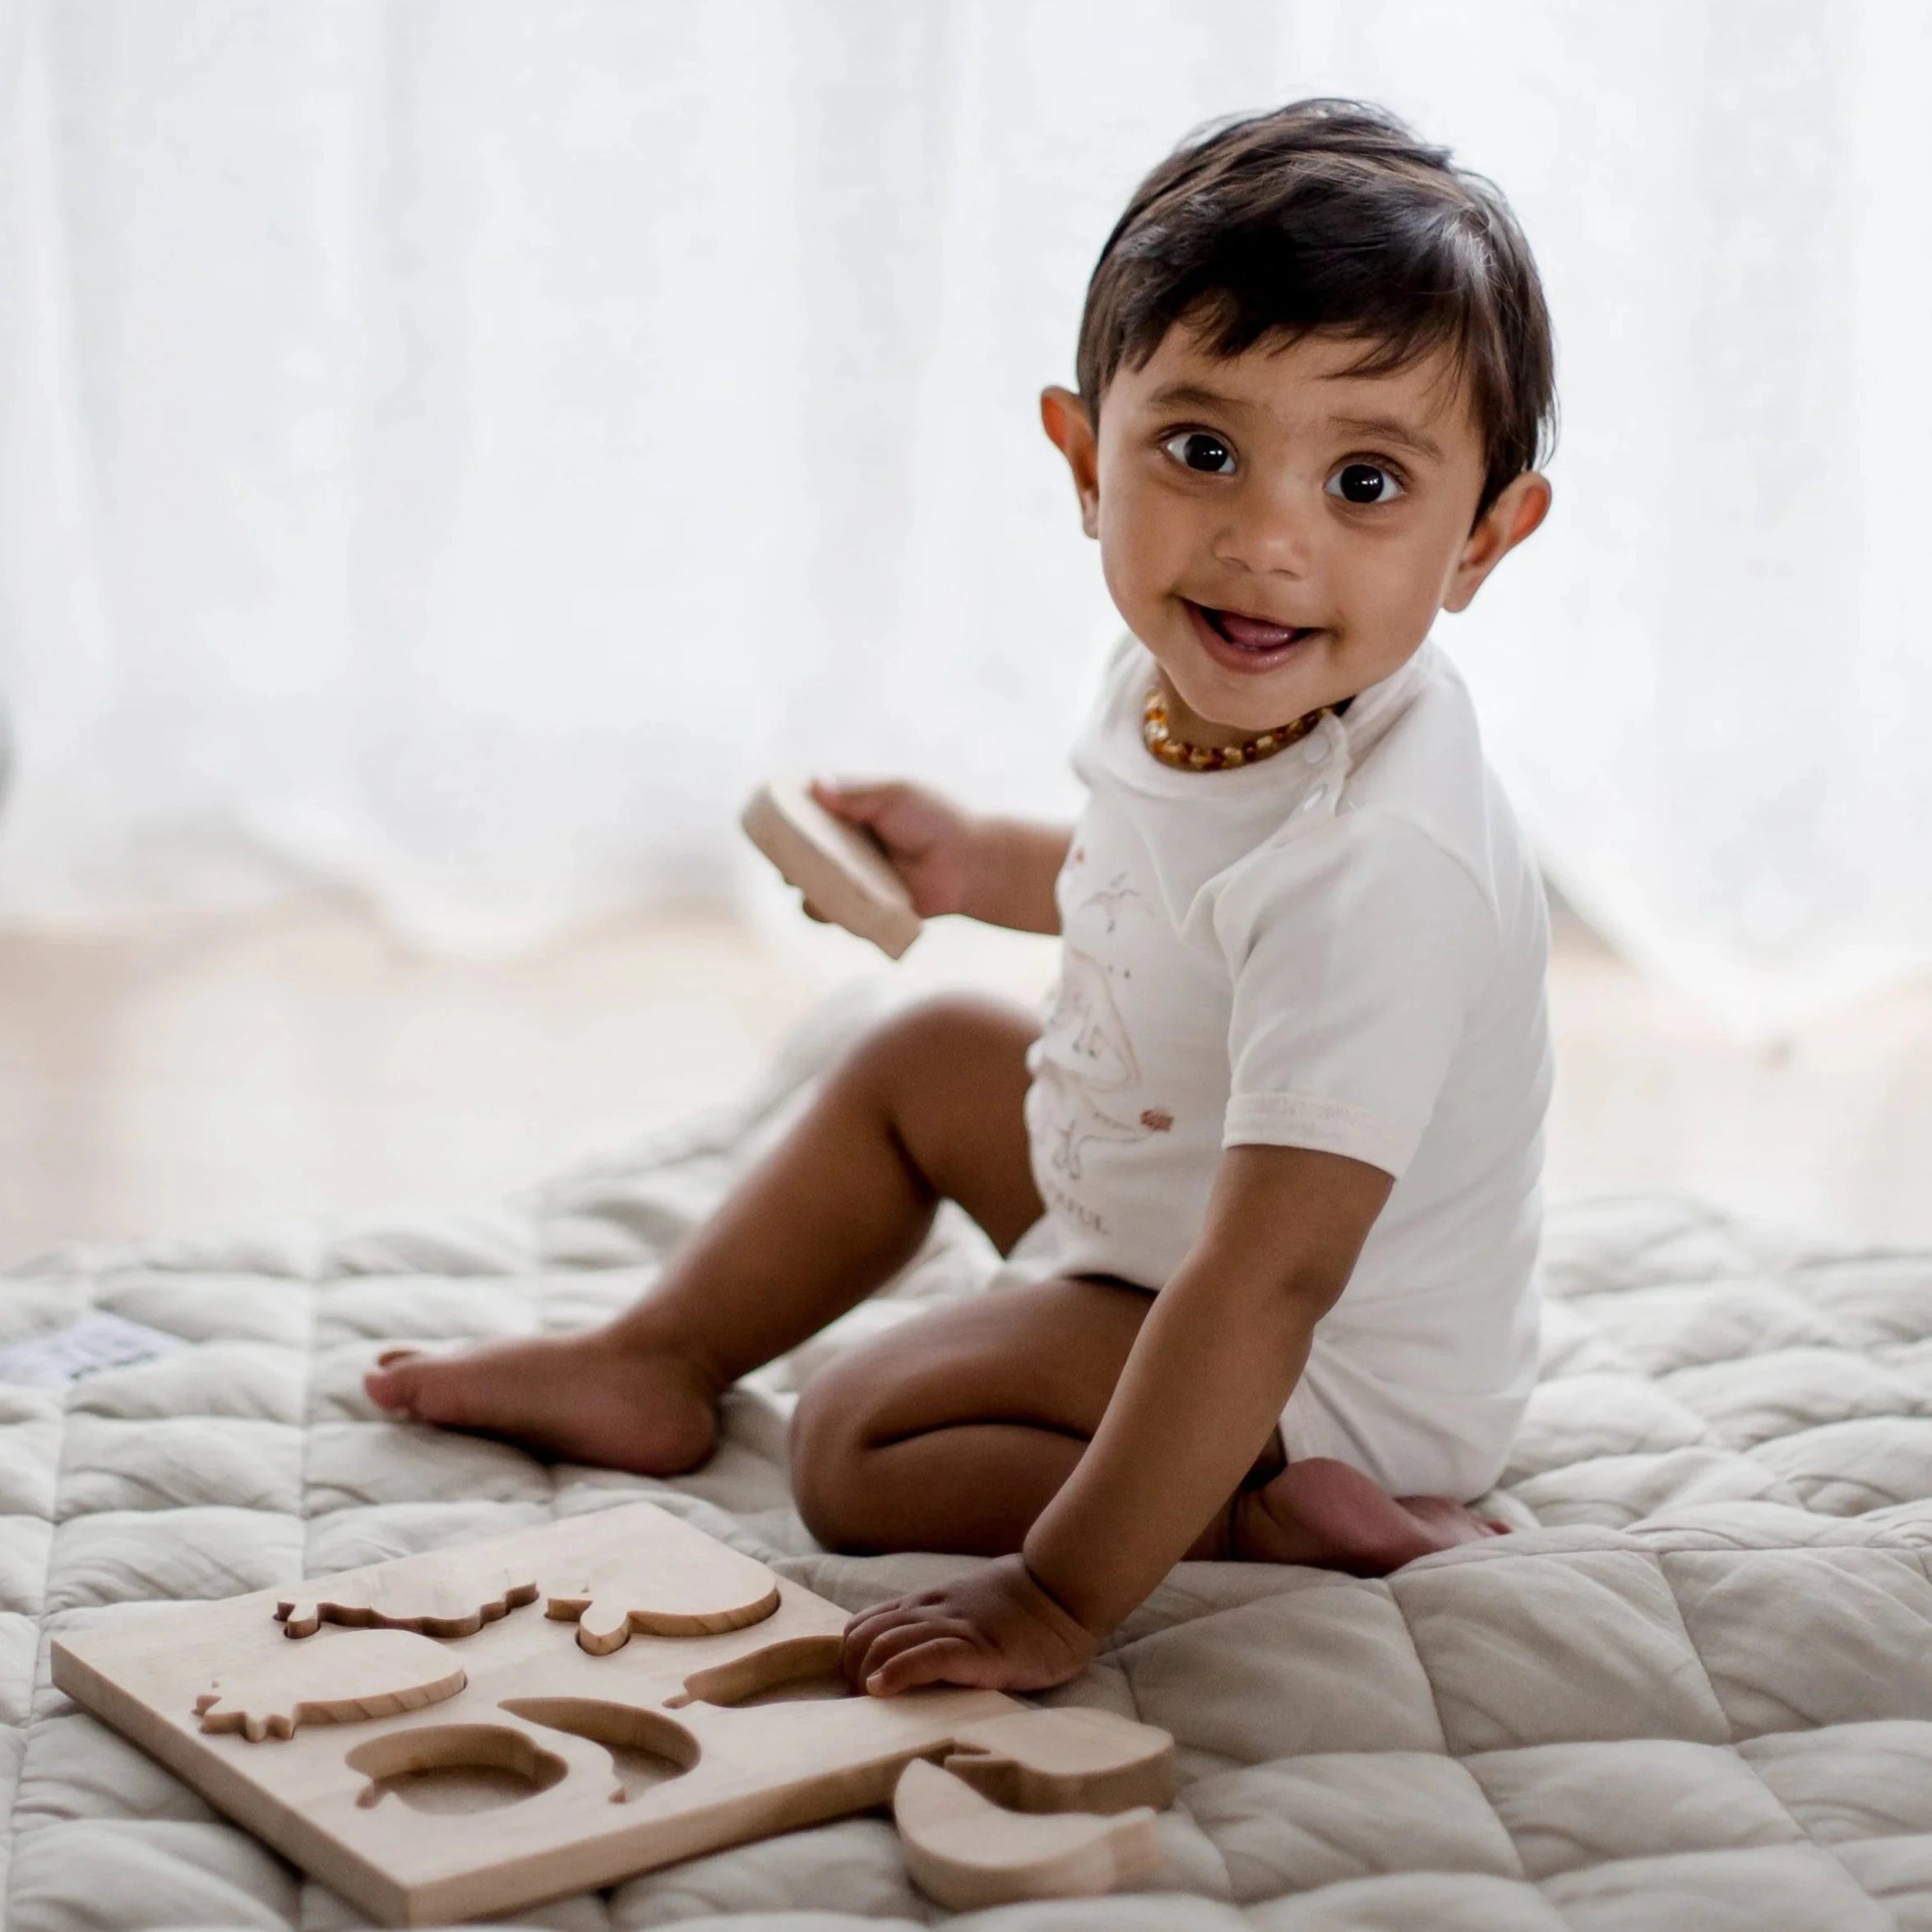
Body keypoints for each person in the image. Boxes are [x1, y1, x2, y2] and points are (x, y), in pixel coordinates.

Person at [367, 98, 1556, 1698]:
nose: (1263, 539)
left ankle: (1259, 1510)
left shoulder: (1382, 866)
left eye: (1361, 484)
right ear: (1084, 458)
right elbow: (1165, 893)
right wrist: (967, 864)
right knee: (915, 1051)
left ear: (1482, 536)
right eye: (1199, 452)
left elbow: (1268, 1272)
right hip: (1169, 1201)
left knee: (857, 1438)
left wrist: (1055, 1595)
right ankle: (652, 1357)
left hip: (1320, 1345)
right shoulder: (1207, 666)